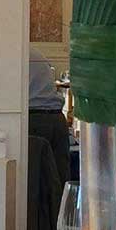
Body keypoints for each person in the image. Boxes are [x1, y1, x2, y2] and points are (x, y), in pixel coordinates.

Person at [28, 49, 71, 186]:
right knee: (61, 177)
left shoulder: (15, 55)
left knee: (37, 181)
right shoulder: (37, 54)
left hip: (34, 120)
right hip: (57, 119)